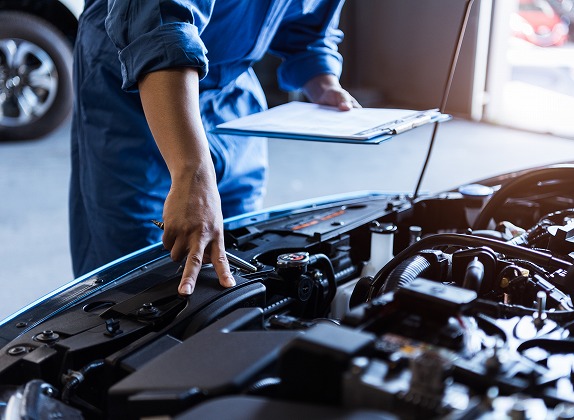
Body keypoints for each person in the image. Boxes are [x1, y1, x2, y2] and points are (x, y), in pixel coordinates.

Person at [70, 0, 359, 296]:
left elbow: (309, 24)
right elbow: (158, 24)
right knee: (136, 274)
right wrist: (191, 173)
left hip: (230, 91)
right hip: (139, 89)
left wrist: (323, 81)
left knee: (244, 247)